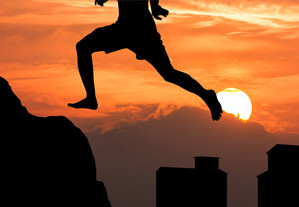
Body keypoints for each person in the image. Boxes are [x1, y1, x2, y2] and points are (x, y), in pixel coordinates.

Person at [68, 0, 223, 121]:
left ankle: (207, 95)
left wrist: (155, 7)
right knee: (83, 47)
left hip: (139, 32)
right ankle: (90, 98)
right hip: (126, 30)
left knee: (169, 74)